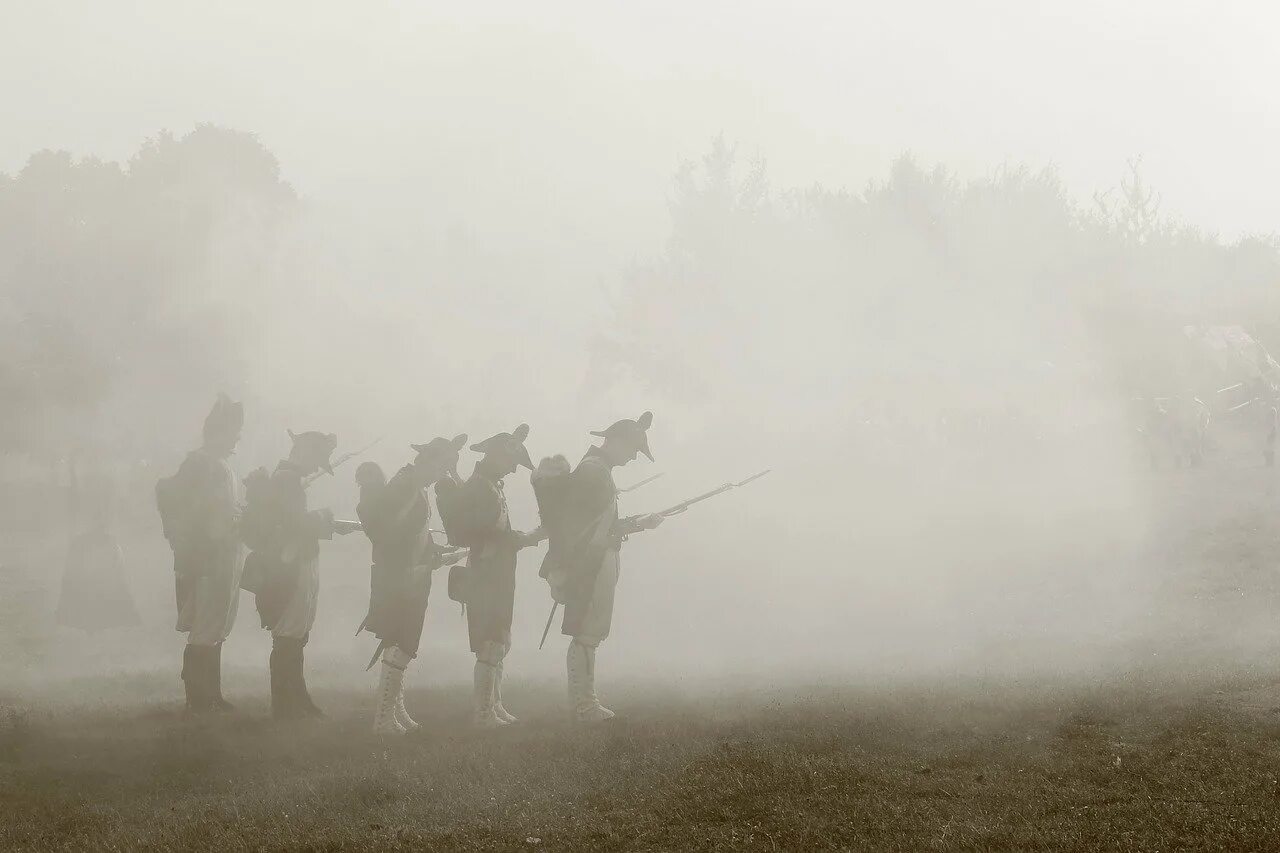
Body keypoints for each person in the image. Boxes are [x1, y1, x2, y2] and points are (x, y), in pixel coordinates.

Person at [356, 435, 467, 735]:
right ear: (428, 461)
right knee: (400, 643)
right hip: (401, 577)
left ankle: (394, 711)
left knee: (402, 644)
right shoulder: (405, 485)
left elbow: (414, 531)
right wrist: (414, 563)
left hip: (412, 575)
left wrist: (435, 552)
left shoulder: (416, 486)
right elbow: (387, 533)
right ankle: (383, 720)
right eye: (442, 467)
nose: (442, 474)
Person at [556, 412, 662, 722]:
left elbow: (603, 523)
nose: (632, 458)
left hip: (598, 558)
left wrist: (639, 523)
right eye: (631, 450)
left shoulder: (599, 471)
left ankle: (585, 702)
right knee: (587, 630)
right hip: (590, 561)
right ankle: (583, 705)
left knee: (592, 630)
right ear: (614, 442)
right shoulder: (593, 472)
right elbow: (576, 526)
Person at [243, 429, 343, 720]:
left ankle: (296, 698)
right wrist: (324, 518)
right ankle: (285, 706)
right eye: (317, 459)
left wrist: (326, 524)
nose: (316, 467)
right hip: (290, 565)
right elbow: (293, 523)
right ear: (306, 452)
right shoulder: (286, 480)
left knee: (296, 634)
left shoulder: (287, 479)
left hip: (299, 560)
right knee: (288, 634)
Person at [446, 424, 540, 728]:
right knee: (490, 641)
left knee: (499, 639)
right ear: (497, 456)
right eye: (511, 462)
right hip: (486, 572)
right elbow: (478, 533)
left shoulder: (489, 485)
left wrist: (515, 539)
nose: (513, 469)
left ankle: (494, 705)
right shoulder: (478, 487)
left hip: (498, 570)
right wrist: (520, 539)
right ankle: (483, 713)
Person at [157, 394, 244, 715]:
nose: (237, 438)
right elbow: (177, 501)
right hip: (208, 557)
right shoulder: (198, 464)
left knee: (218, 623)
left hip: (227, 554)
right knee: (205, 625)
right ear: (218, 433)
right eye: (233, 431)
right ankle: (197, 697)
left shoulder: (222, 466)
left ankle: (212, 694)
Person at [58, 466, 140, 633]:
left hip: (96, 537)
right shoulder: (92, 490)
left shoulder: (99, 489)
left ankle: (100, 612)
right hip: (92, 537)